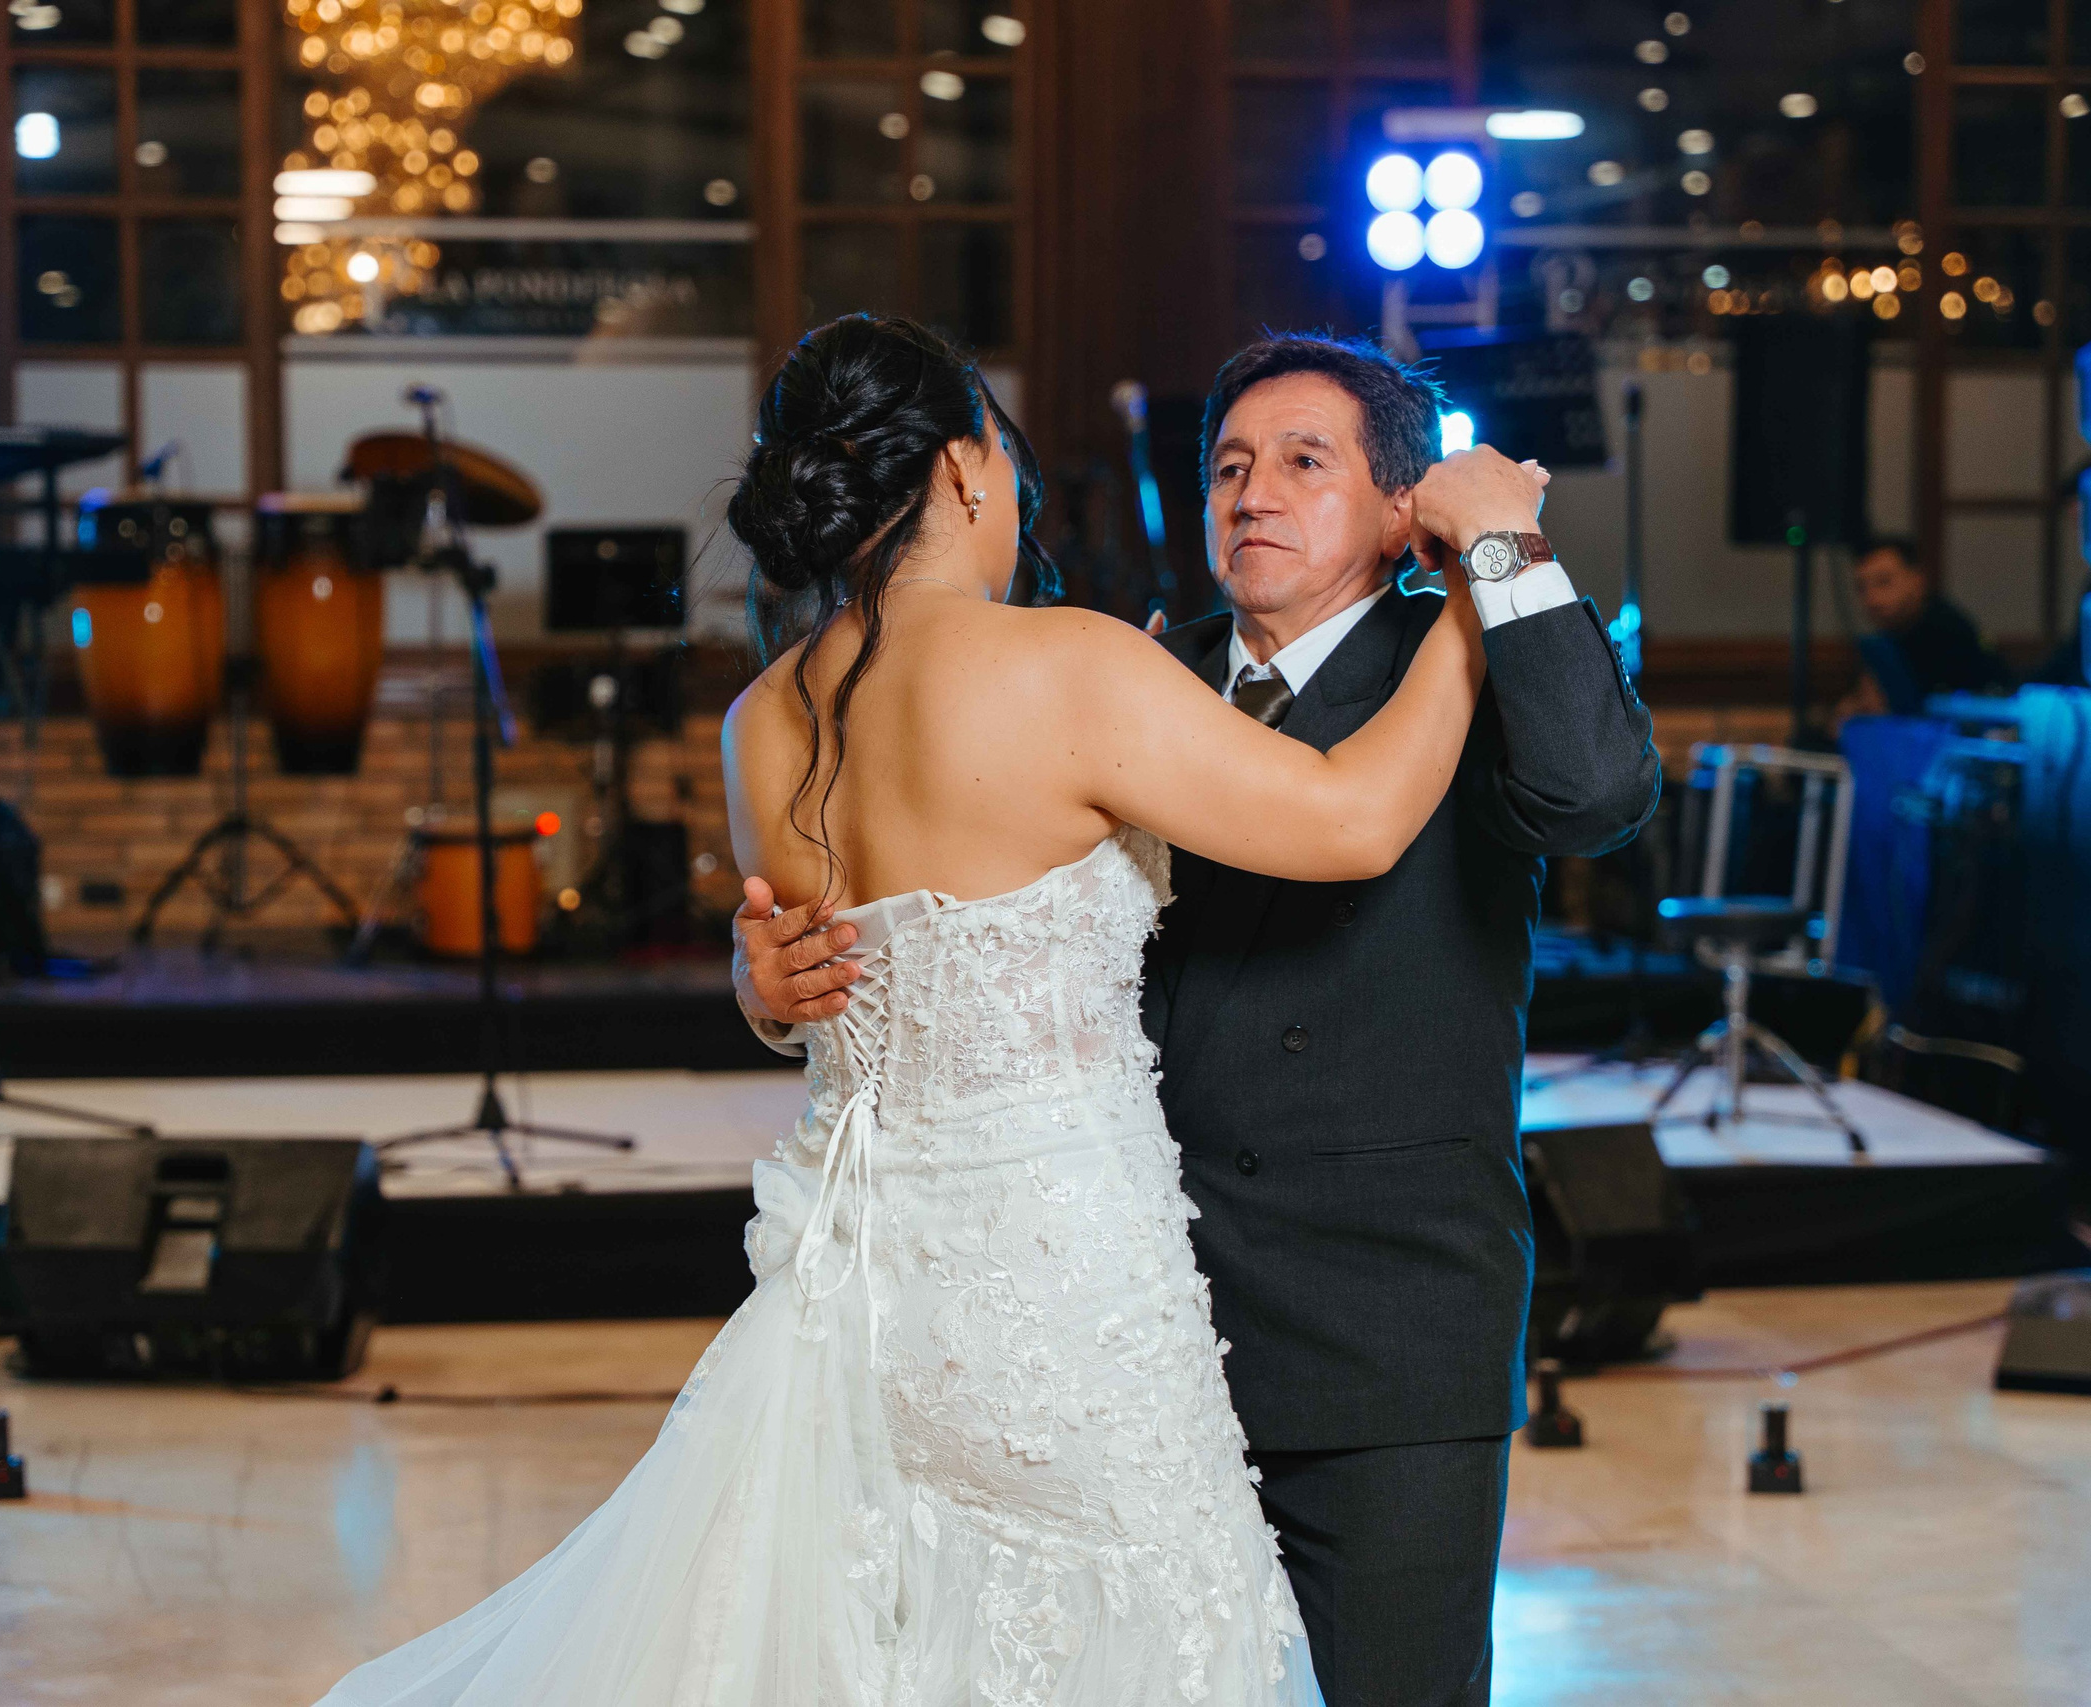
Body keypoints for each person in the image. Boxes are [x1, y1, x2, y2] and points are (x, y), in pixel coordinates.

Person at [311, 315, 1529, 1706]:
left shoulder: (761, 716)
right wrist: (1477, 608)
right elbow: (1356, 820)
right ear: (962, 471)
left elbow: (821, 972)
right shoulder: (1068, 664)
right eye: (1004, 466)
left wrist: (759, 994)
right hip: (1067, 1287)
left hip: (863, 1299)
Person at [740, 333, 1661, 1705]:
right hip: (1123, 1329)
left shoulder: (1468, 650)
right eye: (1229, 463)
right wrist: (768, 984)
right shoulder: (1128, 668)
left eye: (1304, 461)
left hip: (1383, 1329)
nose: (1252, 491)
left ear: (1405, 505)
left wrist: (1502, 554)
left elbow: (1598, 791)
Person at [1839, 535, 2011, 718]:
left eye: (1884, 582)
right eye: (1862, 588)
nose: (1872, 599)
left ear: (1917, 581)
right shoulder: (1892, 637)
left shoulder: (1945, 631)